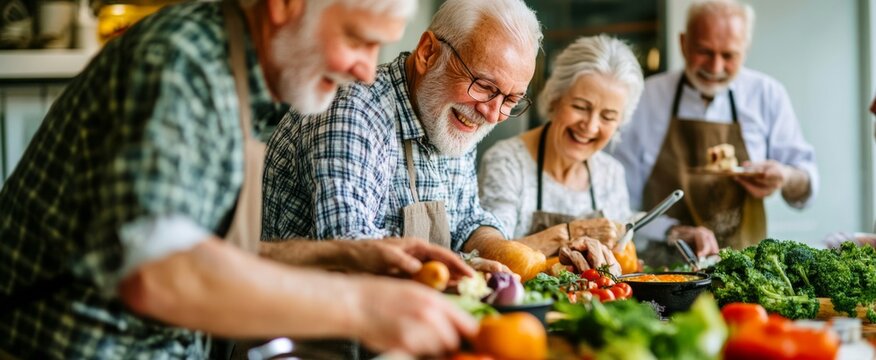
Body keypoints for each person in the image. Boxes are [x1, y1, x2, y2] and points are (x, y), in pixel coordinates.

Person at [0, 0, 478, 358]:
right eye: (358, 39)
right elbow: (160, 272)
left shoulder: (251, 82)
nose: (367, 68)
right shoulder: (180, 62)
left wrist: (350, 252)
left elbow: (203, 246)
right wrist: (363, 306)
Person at [263, 0, 621, 277]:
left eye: (511, 100)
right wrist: (471, 266)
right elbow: (350, 249)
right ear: (428, 53)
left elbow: (467, 220)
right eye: (484, 85)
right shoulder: (352, 109)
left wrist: (505, 257)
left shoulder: (456, 114)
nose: (493, 113)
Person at [608, 0, 818, 257]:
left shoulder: (767, 95)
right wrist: (672, 230)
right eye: (705, 51)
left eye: (728, 55)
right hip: (658, 268)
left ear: (745, 49)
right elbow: (618, 202)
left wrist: (785, 176)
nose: (715, 67)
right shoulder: (645, 98)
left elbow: (806, 187)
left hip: (745, 266)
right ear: (684, 43)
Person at [479, 35, 643, 253]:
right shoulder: (507, 162)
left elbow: (621, 258)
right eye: (581, 107)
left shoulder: (611, 174)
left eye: (608, 116)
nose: (591, 126)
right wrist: (574, 233)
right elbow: (492, 255)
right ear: (555, 98)